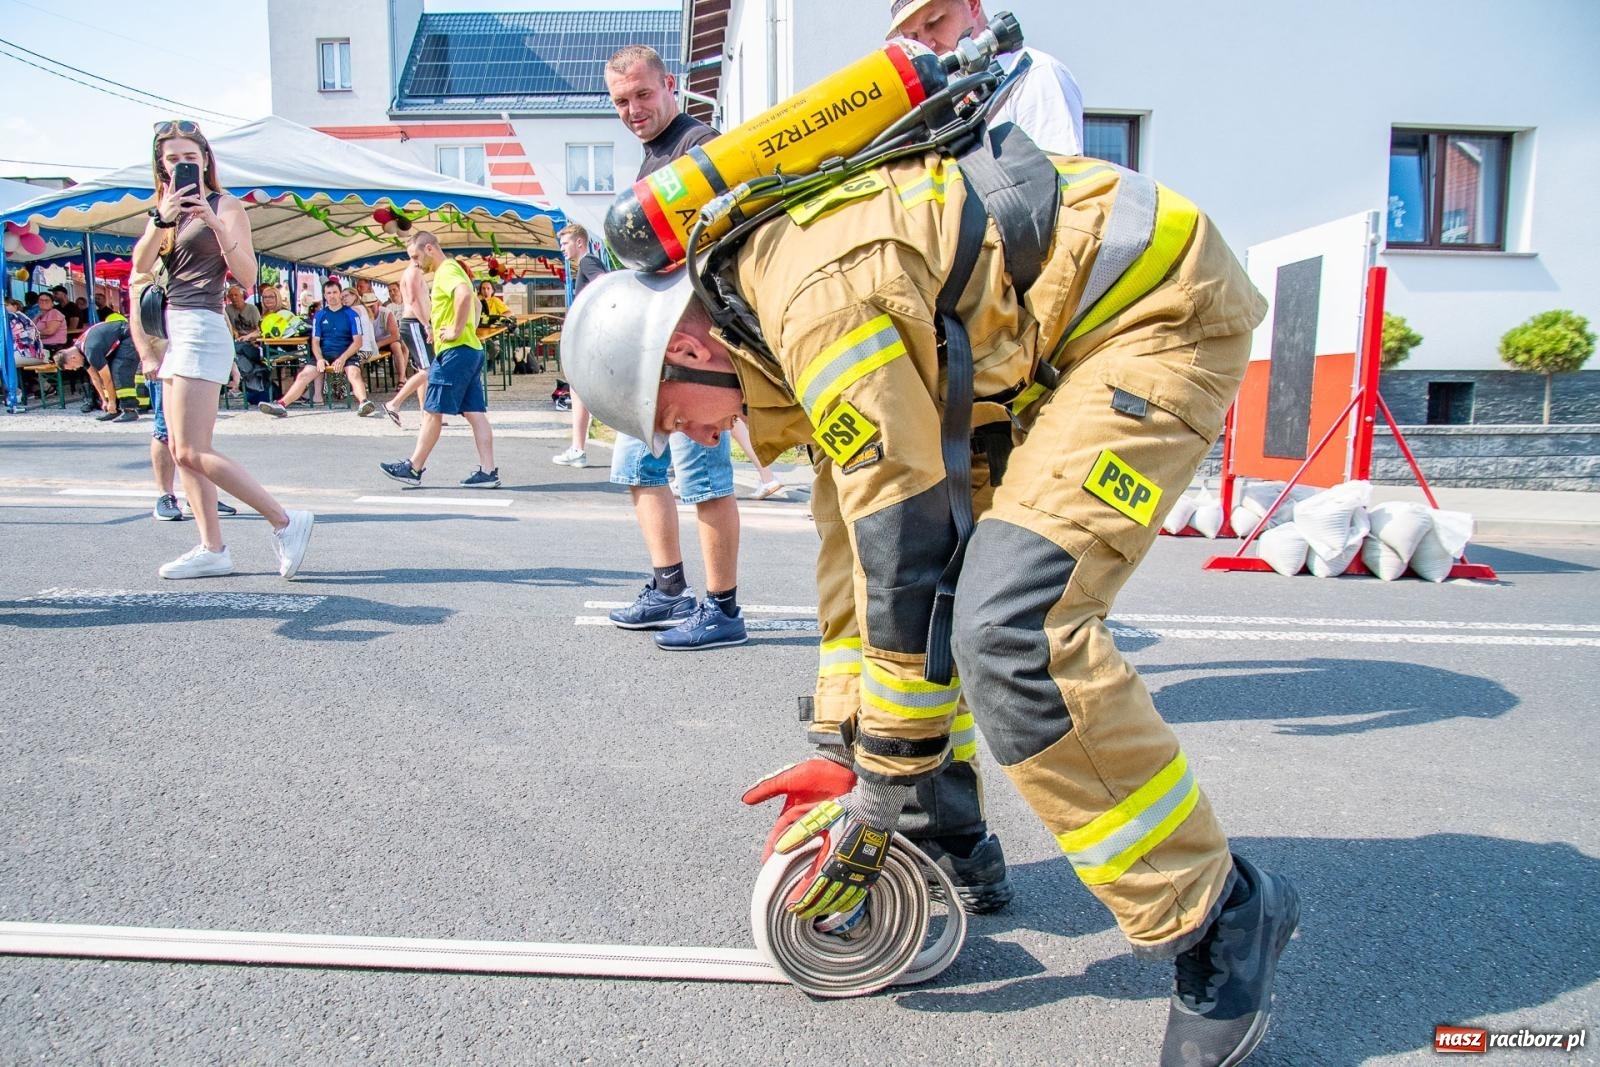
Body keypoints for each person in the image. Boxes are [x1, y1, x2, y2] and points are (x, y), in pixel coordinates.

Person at [562, 140, 1298, 1066]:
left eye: (669, 413)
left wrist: (877, 786)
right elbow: (855, 565)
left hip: (1152, 313)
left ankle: (1220, 914)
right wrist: (847, 754)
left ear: (692, 346)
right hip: (1020, 358)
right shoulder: (777, 331)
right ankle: (947, 834)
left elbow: (905, 547)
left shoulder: (816, 308)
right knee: (920, 595)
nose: (683, 438)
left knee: (1013, 631)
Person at [599, 43, 746, 651]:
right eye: (621, 101)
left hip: (694, 352)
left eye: (642, 95)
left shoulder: (698, 148)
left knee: (702, 475)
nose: (633, 109)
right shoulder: (654, 156)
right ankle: (668, 589)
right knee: (637, 466)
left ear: (670, 89)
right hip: (654, 354)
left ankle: (723, 609)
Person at [130, 119, 312, 579]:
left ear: (206, 160)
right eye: (172, 159)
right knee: (178, 447)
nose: (182, 165)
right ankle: (213, 548)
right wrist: (161, 218)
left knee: (191, 449)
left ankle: (285, 520)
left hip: (203, 325)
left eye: (190, 157)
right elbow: (140, 267)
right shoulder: (163, 212)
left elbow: (249, 277)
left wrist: (214, 224)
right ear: (161, 165)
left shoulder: (225, 204)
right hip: (175, 329)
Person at [379, 231, 499, 488]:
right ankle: (488, 472)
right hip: (469, 349)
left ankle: (413, 467)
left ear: (430, 248)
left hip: (456, 350)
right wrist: (441, 327)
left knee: (432, 410)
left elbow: (465, 294)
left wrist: (454, 329)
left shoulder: (446, 270)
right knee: (475, 412)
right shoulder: (448, 270)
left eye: (416, 256)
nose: (415, 263)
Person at [890, 0, 1084, 155]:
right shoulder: (945, 97)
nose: (927, 43)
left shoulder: (1032, 73)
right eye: (913, 36)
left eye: (934, 22)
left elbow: (1059, 186)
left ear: (973, 3)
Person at [258, 279, 377, 418]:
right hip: (324, 354)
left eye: (335, 292)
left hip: (347, 353)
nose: (332, 296)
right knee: (303, 375)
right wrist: (320, 359)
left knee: (354, 373)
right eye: (328, 293)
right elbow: (315, 342)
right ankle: (281, 405)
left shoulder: (351, 314)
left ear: (340, 294)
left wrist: (343, 358)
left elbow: (357, 342)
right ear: (324, 296)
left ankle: (363, 403)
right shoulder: (319, 315)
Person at [551, 222, 608, 468]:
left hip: (593, 337)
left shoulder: (587, 262)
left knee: (580, 388)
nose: (562, 249)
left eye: (564, 243)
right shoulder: (586, 263)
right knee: (577, 389)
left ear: (579, 242)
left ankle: (578, 449)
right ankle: (578, 448)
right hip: (593, 335)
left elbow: (604, 285)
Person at [55, 318, 141, 422]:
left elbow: (107, 379)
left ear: (73, 358)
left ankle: (130, 410)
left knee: (119, 371)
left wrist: (111, 402)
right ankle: (115, 410)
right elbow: (95, 378)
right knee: (109, 372)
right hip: (118, 339)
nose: (75, 369)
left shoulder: (91, 351)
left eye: (72, 367)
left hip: (128, 336)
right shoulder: (81, 351)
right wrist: (104, 400)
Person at [382, 254, 433, 426]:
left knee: (423, 372)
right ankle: (394, 403)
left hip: (416, 323)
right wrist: (426, 325)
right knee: (428, 369)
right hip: (414, 323)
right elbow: (414, 300)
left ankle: (425, 415)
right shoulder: (413, 272)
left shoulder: (416, 272)